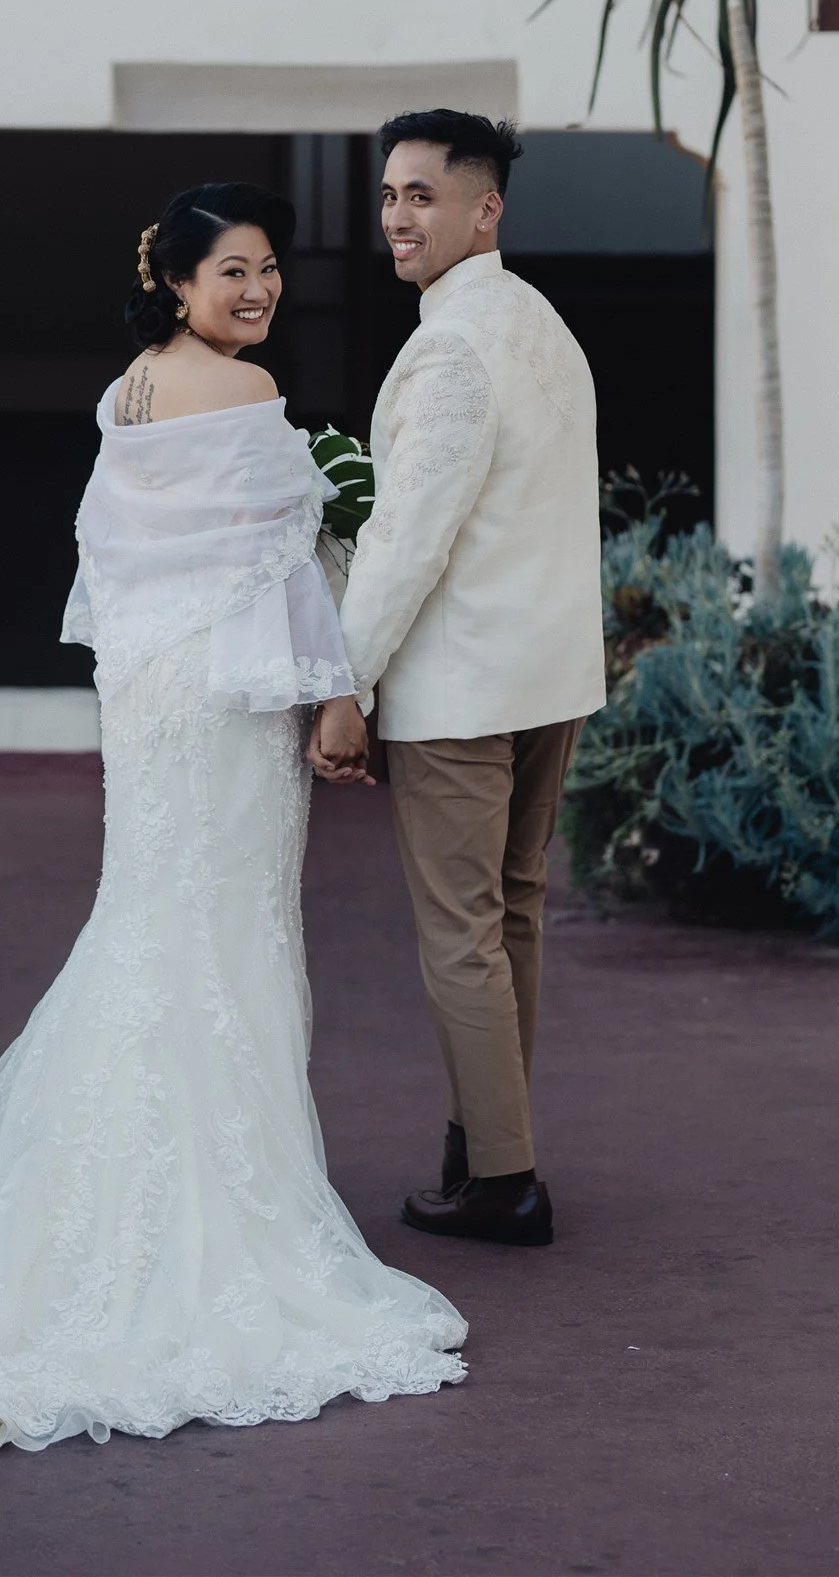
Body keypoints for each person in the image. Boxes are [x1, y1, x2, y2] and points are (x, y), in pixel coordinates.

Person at [0, 180, 466, 1453]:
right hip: (223, 701)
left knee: (149, 920)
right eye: (231, 271)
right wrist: (343, 696)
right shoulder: (246, 396)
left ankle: (102, 1197)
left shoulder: (125, 392)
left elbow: (116, 558)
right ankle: (225, 1215)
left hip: (150, 695)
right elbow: (284, 567)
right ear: (176, 282)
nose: (260, 289)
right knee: (228, 929)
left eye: (269, 268)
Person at [317, 112, 606, 1248]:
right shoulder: (538, 321)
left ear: (485, 209)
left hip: (467, 684)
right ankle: (487, 1139)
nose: (397, 215)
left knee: (462, 932)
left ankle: (502, 1178)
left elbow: (408, 537)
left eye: (422, 195)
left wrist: (350, 683)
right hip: (548, 673)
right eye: (389, 193)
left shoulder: (448, 347)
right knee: (511, 915)